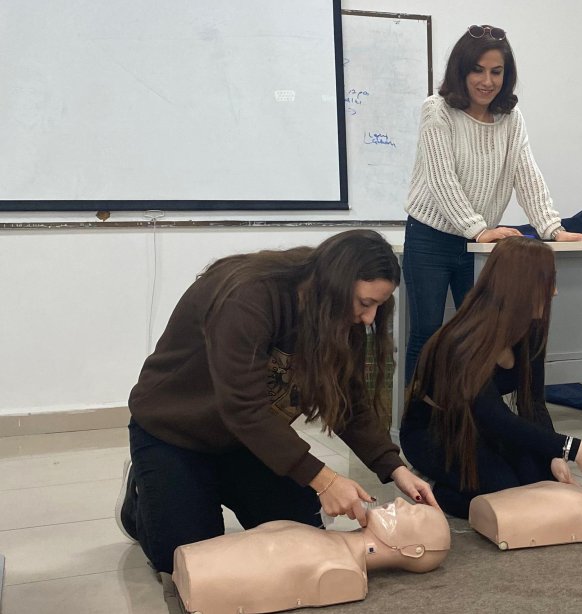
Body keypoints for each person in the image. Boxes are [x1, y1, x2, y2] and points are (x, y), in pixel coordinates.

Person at [118, 230, 438, 575]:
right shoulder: (248, 297)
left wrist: (394, 466)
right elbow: (243, 406)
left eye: (379, 305)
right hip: (176, 436)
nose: (370, 318)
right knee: (186, 559)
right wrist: (325, 480)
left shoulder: (338, 313)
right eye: (364, 303)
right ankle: (143, 493)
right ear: (333, 284)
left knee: (305, 538)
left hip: (248, 443)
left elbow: (348, 398)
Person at [401, 23, 582, 381]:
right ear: (461, 71)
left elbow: (526, 174)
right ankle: (419, 425)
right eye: (477, 70)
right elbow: (440, 178)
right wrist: (477, 229)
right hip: (431, 238)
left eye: (496, 72)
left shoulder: (511, 118)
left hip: (480, 246)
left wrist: (554, 230)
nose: (487, 80)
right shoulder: (437, 110)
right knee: (428, 332)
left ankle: (469, 422)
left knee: (479, 335)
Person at [400, 237, 582, 518]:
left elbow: (534, 403)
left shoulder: (530, 329)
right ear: (520, 287)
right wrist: (574, 448)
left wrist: (553, 454)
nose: (555, 292)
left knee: (541, 482)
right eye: (547, 282)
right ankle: (436, 486)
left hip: (478, 428)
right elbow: (494, 417)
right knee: (506, 496)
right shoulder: (461, 341)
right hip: (435, 432)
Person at [173, 497, 450, 614]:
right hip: (232, 433)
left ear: (414, 551)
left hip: (200, 576)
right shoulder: (331, 543)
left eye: (412, 512)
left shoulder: (342, 570)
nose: (400, 502)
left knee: (168, 549)